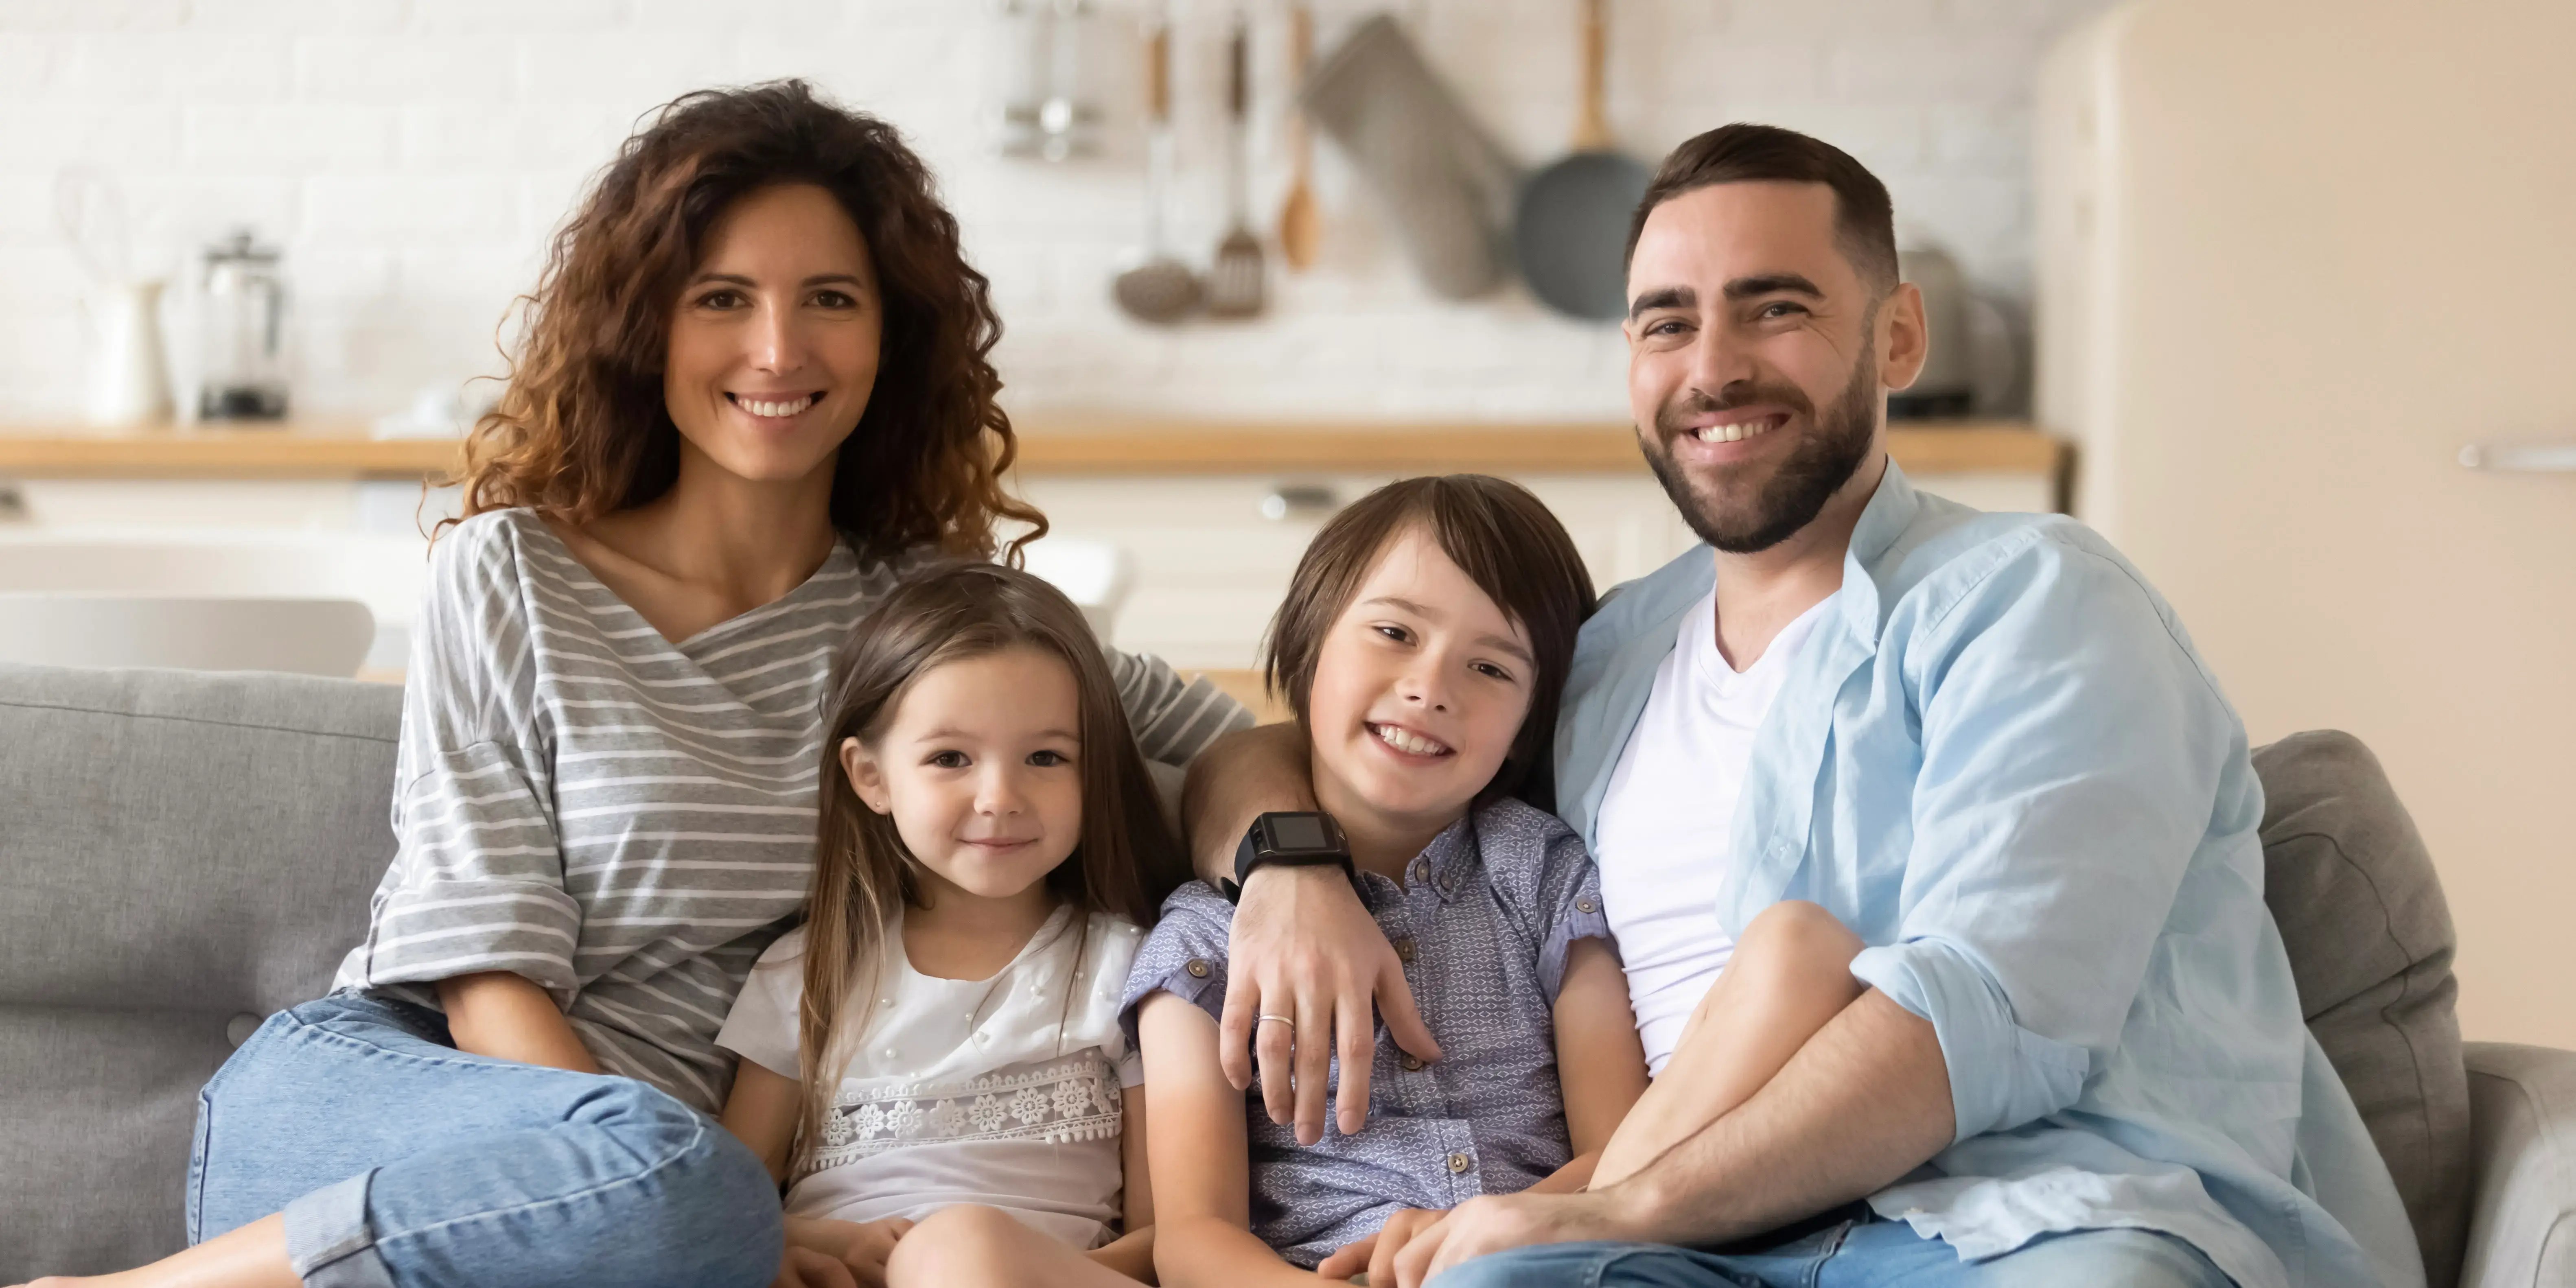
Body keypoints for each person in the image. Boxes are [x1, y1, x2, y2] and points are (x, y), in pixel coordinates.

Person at [21, 82, 1246, 1288]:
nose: (778, 349)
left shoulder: (921, 622)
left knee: (687, 1202)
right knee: (683, 1189)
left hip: (657, 1215)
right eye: (722, 299)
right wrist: (701, 1193)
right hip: (399, 1099)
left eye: (830, 299)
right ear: (646, 324)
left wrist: (1291, 867)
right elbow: (485, 967)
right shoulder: (510, 573)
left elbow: (1229, 737)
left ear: (892, 337)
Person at [1178, 124, 2424, 1288]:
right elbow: (1322, 748)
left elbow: (1985, 1014)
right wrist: (1291, 865)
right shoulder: (1605, 653)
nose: (1713, 367)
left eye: (1775, 309)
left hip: (2023, 1216)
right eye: (1668, 322)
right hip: (1687, 1242)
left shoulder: (2037, 602)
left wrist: (1617, 1205)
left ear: (1896, 339)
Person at [1125, 475, 1649, 1288]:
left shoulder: (1542, 872)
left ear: (1530, 724)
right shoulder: (1200, 942)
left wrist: (1487, 1239)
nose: (1432, 687)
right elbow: (1193, 1242)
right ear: (1308, 642)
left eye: (1491, 667)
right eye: (1395, 631)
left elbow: (1623, 1152)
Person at [716, 561, 1181, 1288]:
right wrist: (838, 1244)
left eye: (1046, 756)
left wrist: (978, 1258)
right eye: (950, 758)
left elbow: (1168, 1239)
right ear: (870, 776)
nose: (999, 796)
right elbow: (724, 1208)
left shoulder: (1133, 967)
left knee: (964, 1247)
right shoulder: (804, 975)